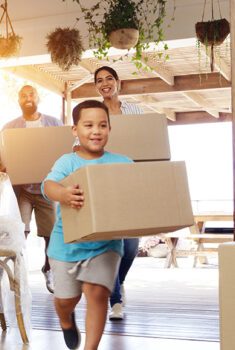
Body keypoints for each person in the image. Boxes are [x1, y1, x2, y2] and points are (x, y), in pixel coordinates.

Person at [42, 100, 132, 350]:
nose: (96, 131)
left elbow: (135, 193)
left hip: (106, 243)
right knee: (66, 299)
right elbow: (49, 186)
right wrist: (64, 194)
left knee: (97, 292)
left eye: (102, 125)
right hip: (66, 244)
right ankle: (65, 319)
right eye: (89, 125)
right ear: (75, 130)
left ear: (109, 129)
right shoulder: (67, 162)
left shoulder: (122, 162)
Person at [0, 85, 62, 294]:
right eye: (23, 95)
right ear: (18, 100)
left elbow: (64, 152)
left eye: (31, 94)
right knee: (19, 232)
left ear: (38, 98)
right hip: (22, 190)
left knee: (51, 235)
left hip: (47, 188)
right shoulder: (9, 127)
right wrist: (0, 167)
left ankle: (48, 268)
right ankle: (13, 272)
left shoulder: (54, 124)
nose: (28, 98)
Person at [93, 66, 143, 320]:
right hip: (104, 185)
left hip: (130, 185)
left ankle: (117, 281)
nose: (105, 83)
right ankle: (115, 302)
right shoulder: (94, 112)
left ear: (117, 82)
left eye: (109, 78)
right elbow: (79, 143)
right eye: (99, 80)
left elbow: (145, 141)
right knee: (113, 245)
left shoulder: (134, 110)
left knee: (132, 246)